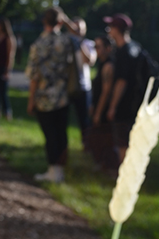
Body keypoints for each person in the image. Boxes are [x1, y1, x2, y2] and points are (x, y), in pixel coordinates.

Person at [26, 7, 73, 183]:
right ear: (60, 21)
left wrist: (31, 100)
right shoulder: (66, 41)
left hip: (44, 98)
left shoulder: (38, 44)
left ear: (44, 22)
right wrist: (66, 21)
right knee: (61, 134)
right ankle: (59, 171)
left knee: (50, 135)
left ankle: (53, 171)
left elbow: (34, 76)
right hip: (62, 96)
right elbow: (79, 36)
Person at [104, 13, 144, 162]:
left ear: (116, 29)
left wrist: (113, 106)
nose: (108, 30)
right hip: (136, 102)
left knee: (122, 142)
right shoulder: (135, 47)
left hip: (124, 104)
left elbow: (122, 81)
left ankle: (124, 175)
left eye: (110, 27)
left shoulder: (123, 52)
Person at [59, 15, 96, 147]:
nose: (78, 30)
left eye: (81, 28)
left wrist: (79, 42)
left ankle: (87, 146)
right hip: (66, 87)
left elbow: (90, 61)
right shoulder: (63, 42)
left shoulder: (88, 44)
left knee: (84, 120)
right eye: (75, 27)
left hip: (83, 88)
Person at [86, 34, 118, 170]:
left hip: (104, 109)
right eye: (95, 47)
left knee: (104, 138)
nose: (96, 50)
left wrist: (98, 112)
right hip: (98, 106)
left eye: (98, 47)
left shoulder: (108, 66)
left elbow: (106, 92)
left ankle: (107, 165)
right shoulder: (101, 64)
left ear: (108, 48)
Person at [0, 17, 16, 120]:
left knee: (3, 92)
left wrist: (7, 70)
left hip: (3, 68)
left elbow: (10, 55)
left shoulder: (9, 38)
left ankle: (7, 113)